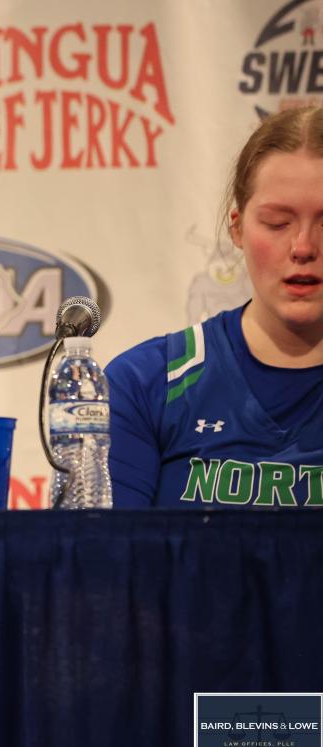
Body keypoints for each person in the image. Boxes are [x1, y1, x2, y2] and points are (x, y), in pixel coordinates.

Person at [107, 106, 323, 508]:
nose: (304, 247)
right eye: (278, 223)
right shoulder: (144, 384)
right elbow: (100, 547)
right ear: (237, 228)